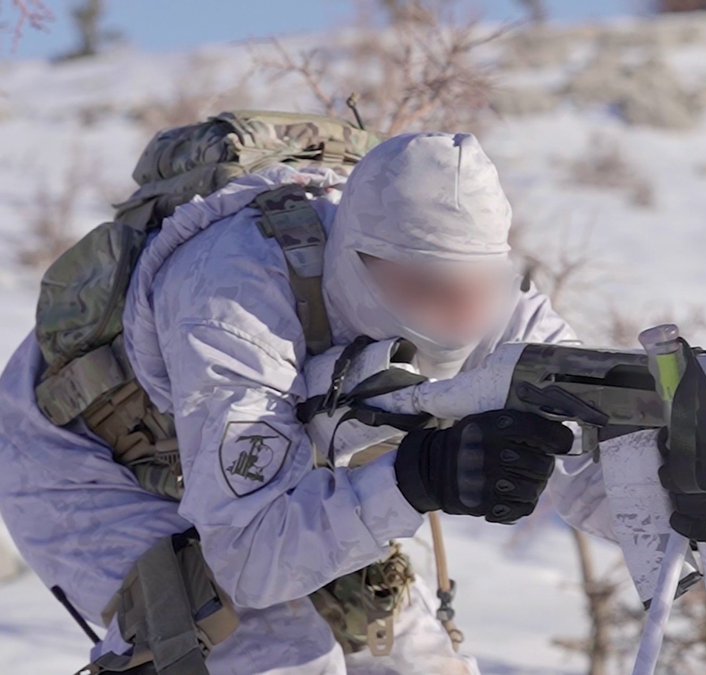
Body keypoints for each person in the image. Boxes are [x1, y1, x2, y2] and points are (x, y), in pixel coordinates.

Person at [0, 131, 612, 674]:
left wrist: (680, 487)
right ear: (356, 259)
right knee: (281, 654)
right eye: (429, 288)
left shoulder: (499, 301)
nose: (461, 318)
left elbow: (591, 457)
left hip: (272, 461)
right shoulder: (234, 299)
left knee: (414, 661)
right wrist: (416, 480)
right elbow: (249, 557)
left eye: (478, 287)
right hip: (83, 457)